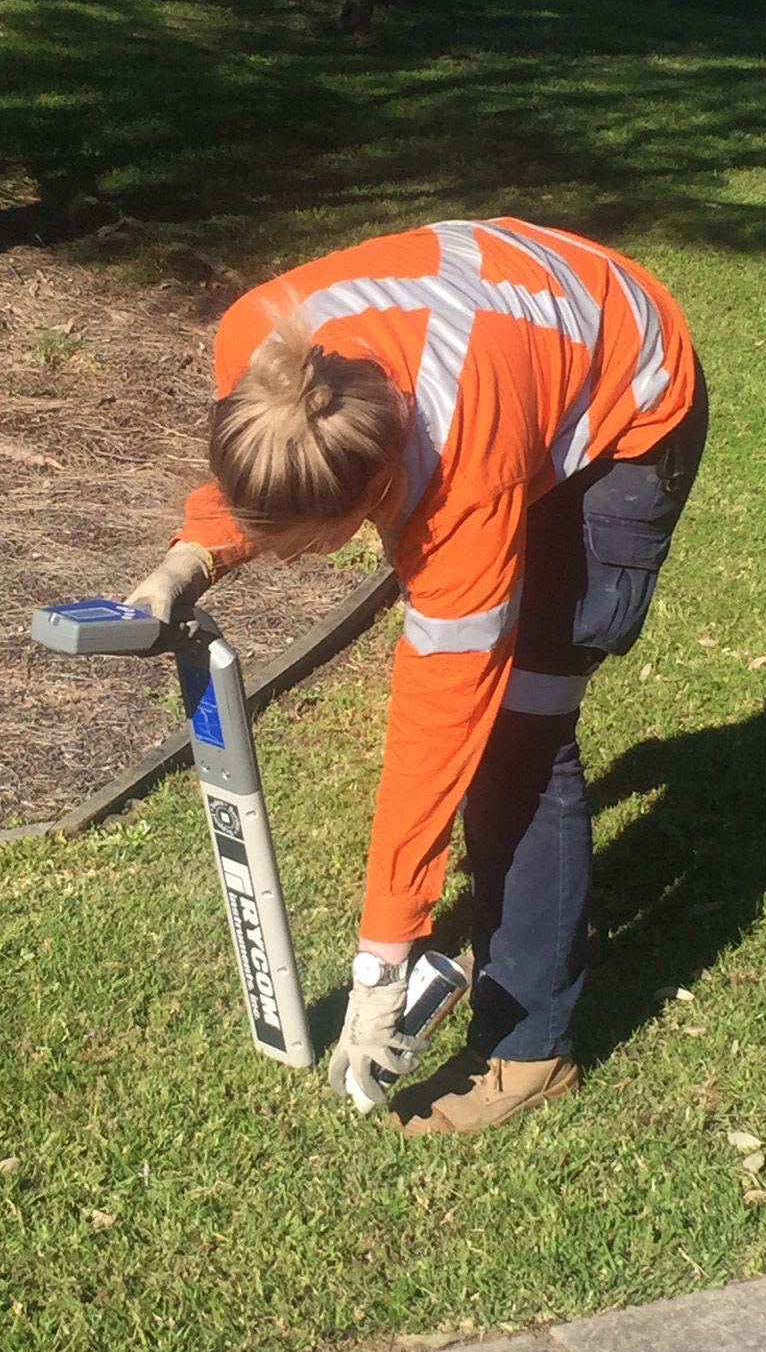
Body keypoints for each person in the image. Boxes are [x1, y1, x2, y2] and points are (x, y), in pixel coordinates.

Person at [129, 217, 707, 1136]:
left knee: (519, 736)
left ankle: (530, 1050)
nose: (283, 560)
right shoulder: (260, 347)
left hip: (626, 401)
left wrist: (382, 960)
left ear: (378, 496)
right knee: (508, 737)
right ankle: (516, 945)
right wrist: (189, 557)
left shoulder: (460, 498)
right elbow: (275, 478)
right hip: (527, 337)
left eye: (303, 547)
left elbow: (437, 735)